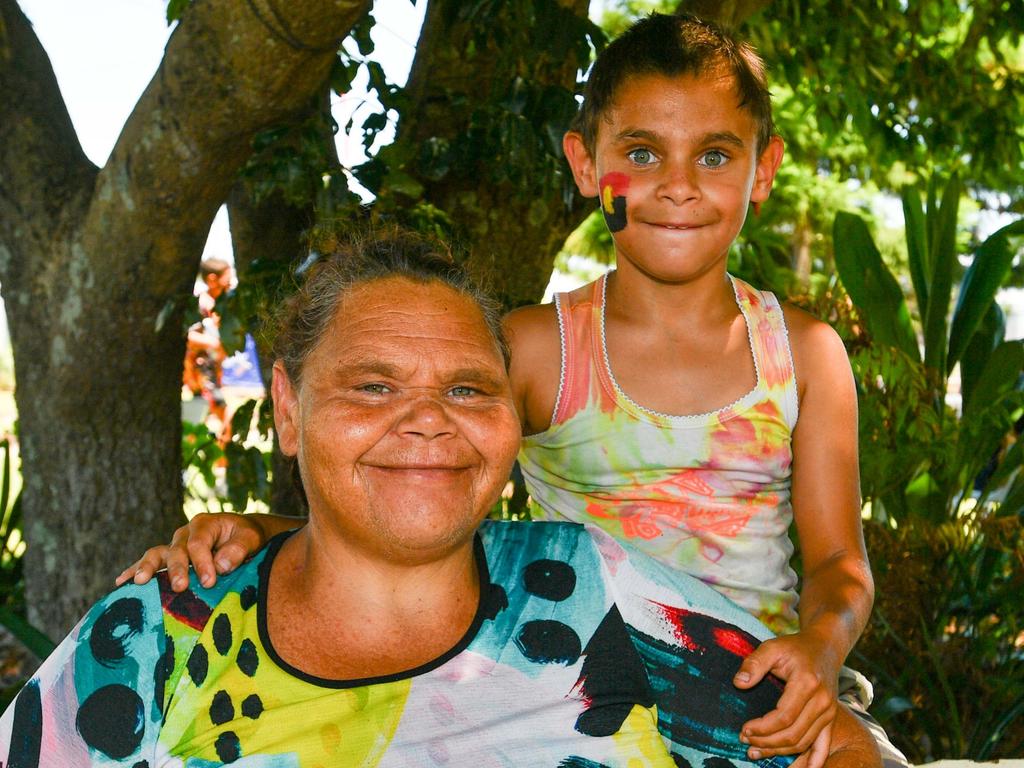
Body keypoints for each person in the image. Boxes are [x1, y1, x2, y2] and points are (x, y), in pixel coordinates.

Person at [119, 13, 908, 768]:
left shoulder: (803, 353)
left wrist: (818, 650)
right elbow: (427, 501)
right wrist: (259, 532)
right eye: (641, 152)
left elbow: (841, 560)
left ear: (762, 170)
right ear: (586, 164)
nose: (676, 185)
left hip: (771, 696)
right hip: (577, 691)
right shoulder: (539, 349)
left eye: (714, 155)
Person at [0, 232, 882, 767]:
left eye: (468, 390)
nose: (428, 423)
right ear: (290, 410)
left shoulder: (593, 588)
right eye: (374, 387)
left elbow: (837, 743)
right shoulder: (164, 630)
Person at [183, 257, 234, 444]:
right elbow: (188, 337)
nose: (230, 283)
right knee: (221, 414)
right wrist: (215, 343)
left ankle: (221, 461)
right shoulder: (201, 305)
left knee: (201, 418)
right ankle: (224, 461)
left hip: (214, 372)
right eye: (226, 279)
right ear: (212, 279)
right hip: (201, 373)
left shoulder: (221, 305)